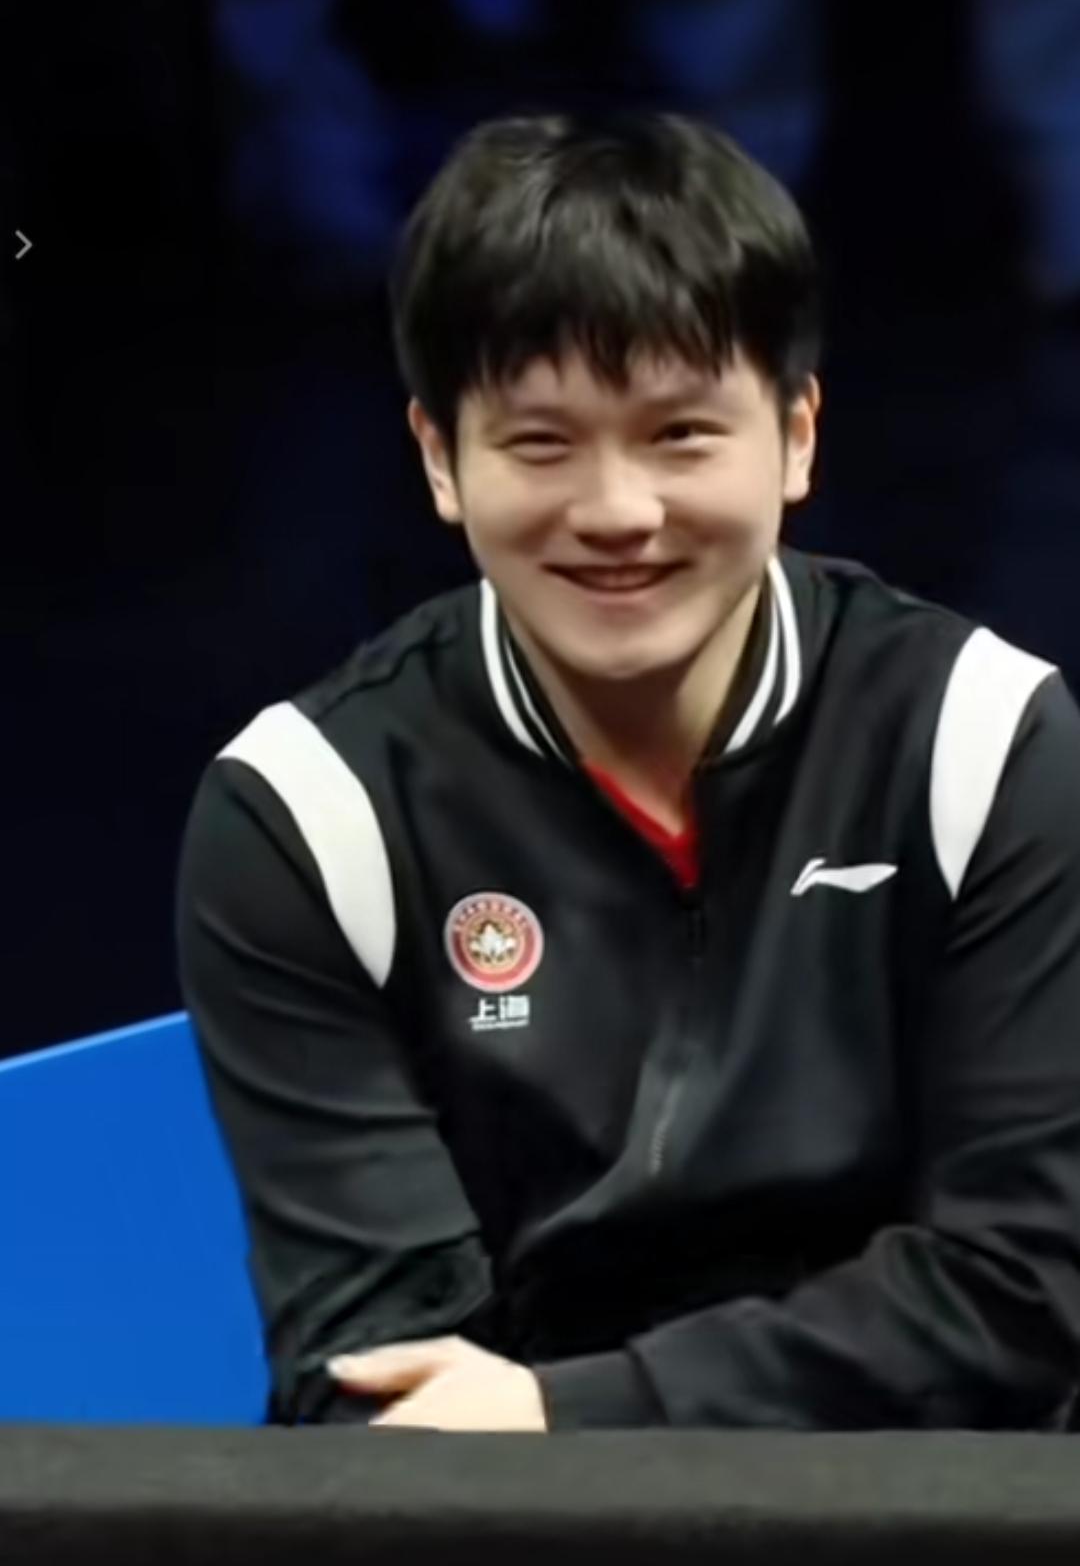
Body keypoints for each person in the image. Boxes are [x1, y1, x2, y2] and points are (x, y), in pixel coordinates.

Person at [176, 109, 1080, 1432]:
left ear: (798, 436)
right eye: (540, 444)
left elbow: (1029, 1290)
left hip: (935, 1494)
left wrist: (579, 1412)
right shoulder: (308, 814)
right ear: (439, 458)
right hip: (517, 1522)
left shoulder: (983, 744)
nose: (616, 512)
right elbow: (383, 1388)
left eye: (681, 435)